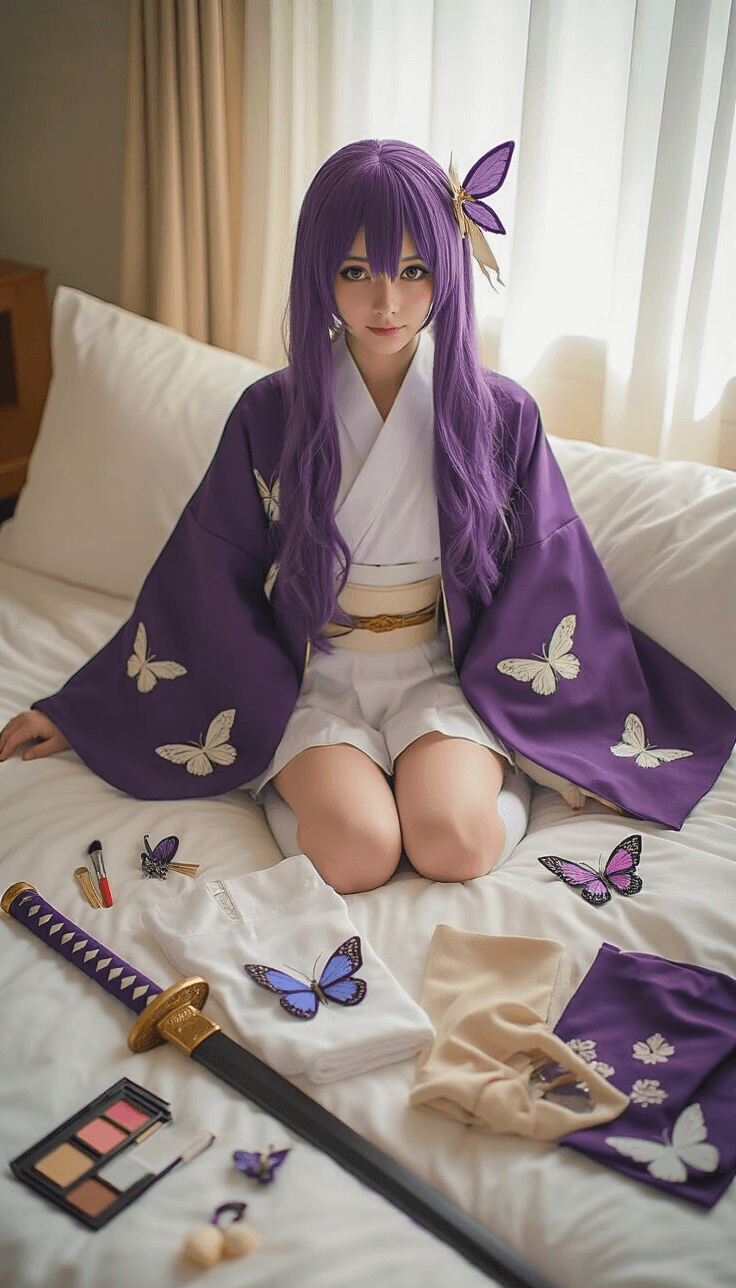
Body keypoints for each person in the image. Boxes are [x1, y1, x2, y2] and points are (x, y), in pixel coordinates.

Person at [1, 140, 734, 894]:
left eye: (414, 271)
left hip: (441, 670)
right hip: (316, 673)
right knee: (357, 854)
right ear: (320, 273)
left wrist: (562, 744)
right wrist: (86, 710)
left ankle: (511, 776)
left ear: (447, 270)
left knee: (451, 843)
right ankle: (290, 795)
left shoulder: (503, 415)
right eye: (356, 272)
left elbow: (551, 572)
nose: (386, 303)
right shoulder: (270, 413)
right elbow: (206, 572)